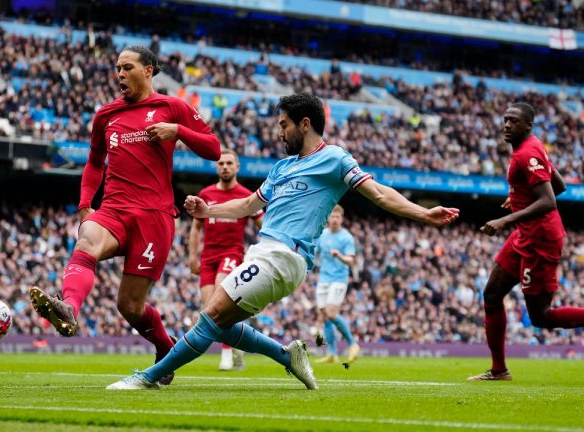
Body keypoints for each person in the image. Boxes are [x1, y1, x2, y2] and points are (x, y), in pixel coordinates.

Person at [105, 93, 459, 391]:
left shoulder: (334, 158)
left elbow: (378, 193)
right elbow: (247, 205)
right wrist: (207, 209)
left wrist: (423, 214)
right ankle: (285, 355)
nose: (279, 132)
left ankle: (149, 377)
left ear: (305, 124)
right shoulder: (281, 168)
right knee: (223, 323)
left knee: (210, 316)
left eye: (284, 124)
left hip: (285, 257)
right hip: (263, 252)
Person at [29, 46, 221, 385]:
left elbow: (213, 148)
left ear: (148, 71)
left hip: (154, 218)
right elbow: (93, 163)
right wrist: (86, 204)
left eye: (127, 67)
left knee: (129, 307)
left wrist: (177, 131)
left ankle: (165, 348)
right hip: (114, 210)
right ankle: (69, 308)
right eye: (117, 68)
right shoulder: (106, 115)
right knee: (86, 238)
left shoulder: (170, 107)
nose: (119, 74)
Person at [468, 102, 584, 381]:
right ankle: (499, 370)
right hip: (525, 234)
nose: (507, 125)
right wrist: (518, 198)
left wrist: (506, 220)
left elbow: (549, 200)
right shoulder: (530, 147)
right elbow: (559, 186)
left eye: (513, 121)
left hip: (540, 240)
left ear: (528, 126)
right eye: (505, 120)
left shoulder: (528, 153)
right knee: (491, 294)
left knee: (540, 317)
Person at [188, 148, 263, 371]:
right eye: (221, 163)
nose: (225, 167)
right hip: (208, 256)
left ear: (237, 167)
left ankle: (226, 353)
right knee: (209, 309)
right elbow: (196, 227)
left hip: (232, 253)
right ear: (216, 167)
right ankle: (239, 342)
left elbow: (264, 226)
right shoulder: (206, 194)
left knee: (222, 293)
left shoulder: (245, 195)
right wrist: (193, 255)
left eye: (229, 163)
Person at [315, 205, 360, 364]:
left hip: (339, 279)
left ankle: (352, 344)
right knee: (325, 316)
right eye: (332, 216)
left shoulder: (346, 237)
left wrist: (339, 256)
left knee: (332, 313)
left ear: (341, 219)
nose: (334, 219)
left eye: (337, 217)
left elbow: (351, 260)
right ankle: (332, 353)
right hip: (323, 279)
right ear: (328, 218)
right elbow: (314, 253)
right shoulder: (323, 235)